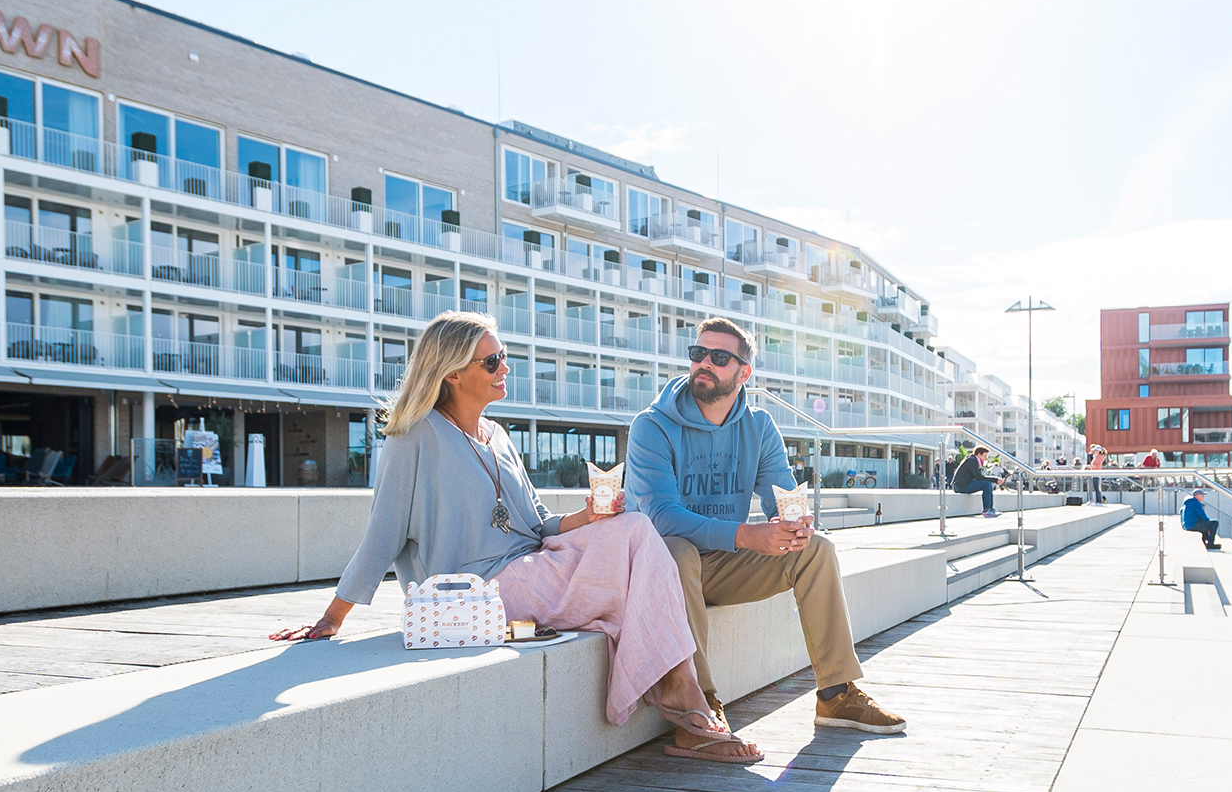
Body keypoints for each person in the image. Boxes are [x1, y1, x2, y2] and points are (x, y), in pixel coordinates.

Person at [272, 312, 760, 763]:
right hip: (477, 589)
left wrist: (586, 518)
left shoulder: (497, 434)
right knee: (637, 540)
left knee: (631, 524)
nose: (504, 367)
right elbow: (382, 532)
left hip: (530, 565)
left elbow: (539, 523)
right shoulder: (414, 437)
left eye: (504, 357)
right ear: (452, 373)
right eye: (492, 360)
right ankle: (684, 700)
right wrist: (333, 617)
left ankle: (682, 696)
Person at [627, 317, 907, 734]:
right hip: (660, 571)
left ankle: (836, 695)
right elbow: (662, 516)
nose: (704, 363)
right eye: (697, 353)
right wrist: (746, 535)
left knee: (817, 550)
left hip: (719, 567)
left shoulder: (758, 427)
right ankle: (700, 703)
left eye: (719, 357)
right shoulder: (651, 426)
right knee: (676, 547)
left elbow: (783, 497)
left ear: (744, 373)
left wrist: (793, 524)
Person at [951, 446, 1004, 517]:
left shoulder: (975, 461)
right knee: (986, 484)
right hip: (959, 486)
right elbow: (979, 477)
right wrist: (995, 479)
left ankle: (990, 509)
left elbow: (979, 477)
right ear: (979, 454)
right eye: (985, 455)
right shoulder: (972, 460)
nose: (986, 458)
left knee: (987, 484)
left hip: (964, 484)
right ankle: (987, 509)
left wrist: (995, 480)